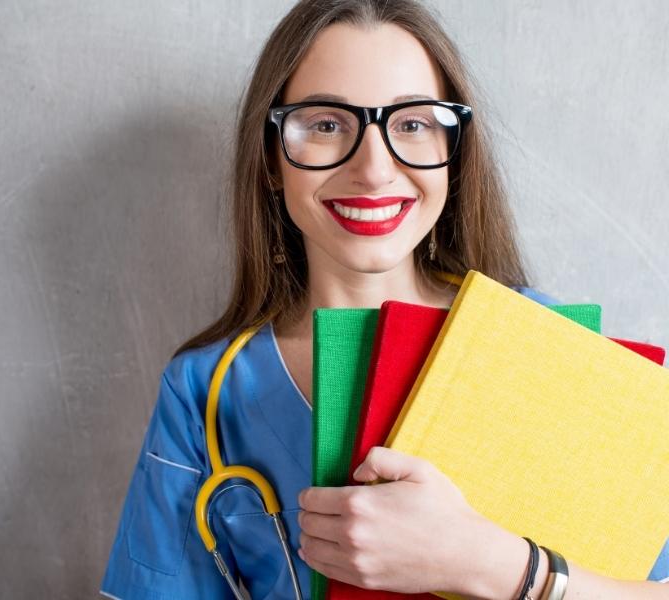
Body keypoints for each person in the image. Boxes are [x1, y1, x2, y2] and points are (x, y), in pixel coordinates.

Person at [100, 1, 669, 598]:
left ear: (456, 152)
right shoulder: (204, 392)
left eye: (412, 124)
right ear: (271, 157)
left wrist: (494, 565)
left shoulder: (557, 344)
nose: (374, 169)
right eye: (325, 124)